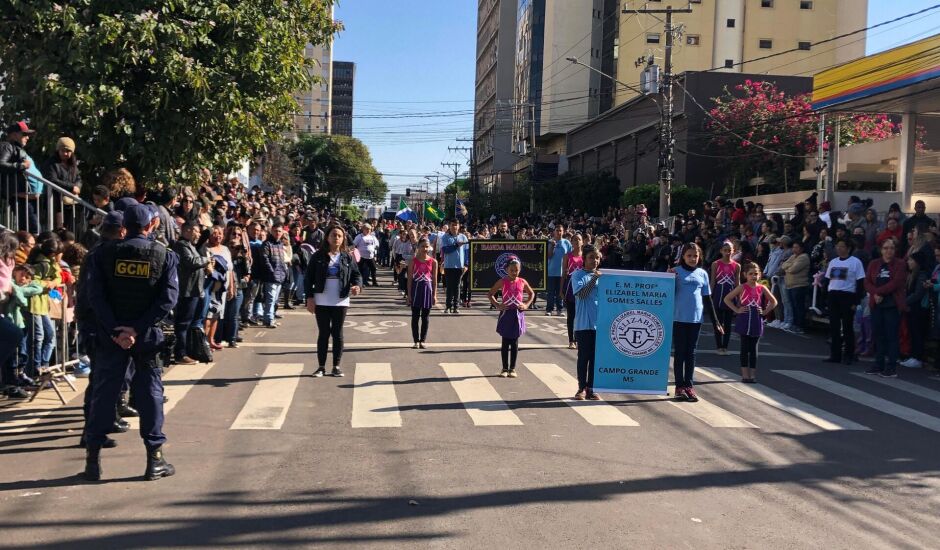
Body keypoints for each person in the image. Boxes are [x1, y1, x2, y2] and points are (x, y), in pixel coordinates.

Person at [82, 203, 179, 481]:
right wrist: (136, 328)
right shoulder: (164, 256)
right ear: (151, 226)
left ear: (124, 227)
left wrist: (116, 329)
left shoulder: (103, 253)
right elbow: (168, 300)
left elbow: (95, 297)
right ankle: (154, 460)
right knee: (150, 394)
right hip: (146, 335)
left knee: (104, 393)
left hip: (111, 336)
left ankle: (92, 462)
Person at [305, 225, 362, 378]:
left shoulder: (347, 257)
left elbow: (357, 275)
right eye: (333, 235)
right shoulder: (318, 256)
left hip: (340, 300)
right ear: (327, 237)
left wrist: (357, 285)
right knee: (323, 333)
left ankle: (336, 366)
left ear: (343, 239)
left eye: (339, 235)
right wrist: (309, 298)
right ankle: (321, 367)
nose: (336, 238)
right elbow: (308, 278)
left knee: (337, 333)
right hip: (321, 299)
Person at [672, 243, 721, 403]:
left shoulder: (703, 273)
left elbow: (707, 299)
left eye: (695, 256)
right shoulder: (675, 272)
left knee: (691, 353)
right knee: (680, 353)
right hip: (678, 318)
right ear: (683, 257)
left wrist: (716, 323)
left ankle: (689, 386)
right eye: (689, 255)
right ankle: (679, 387)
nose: (692, 258)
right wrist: (668, 279)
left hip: (695, 319)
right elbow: (666, 293)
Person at [724, 262, 777, 383]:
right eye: (751, 274)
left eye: (756, 274)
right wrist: (737, 309)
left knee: (754, 349)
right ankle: (744, 374)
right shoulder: (742, 287)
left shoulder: (762, 288)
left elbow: (774, 301)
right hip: (744, 318)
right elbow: (727, 299)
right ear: (745, 275)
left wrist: (764, 312)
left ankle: (753, 375)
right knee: (744, 347)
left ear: (760, 275)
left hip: (756, 320)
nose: (753, 276)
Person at [863, 238, 906, 378]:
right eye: (886, 248)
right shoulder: (874, 264)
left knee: (891, 336)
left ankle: (891, 366)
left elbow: (896, 282)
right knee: (878, 335)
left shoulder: (900, 264)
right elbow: (867, 281)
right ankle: (878, 364)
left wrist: (879, 292)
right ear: (881, 250)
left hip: (891, 304)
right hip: (877, 304)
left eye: (892, 248)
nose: (889, 251)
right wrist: (875, 293)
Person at [171, 222, 212, 363]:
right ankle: (180, 354)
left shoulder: (190, 246)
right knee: (183, 323)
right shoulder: (181, 245)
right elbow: (190, 261)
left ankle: (187, 350)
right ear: (187, 230)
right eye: (196, 231)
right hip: (186, 291)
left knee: (189, 323)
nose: (199, 234)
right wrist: (206, 260)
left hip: (194, 290)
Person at [487, 258, 535, 378]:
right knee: (505, 342)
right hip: (506, 314)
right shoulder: (502, 281)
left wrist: (526, 304)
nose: (514, 272)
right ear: (507, 270)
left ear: (519, 270)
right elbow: (490, 294)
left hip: (517, 314)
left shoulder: (522, 281)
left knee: (514, 342)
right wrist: (498, 305)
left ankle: (512, 368)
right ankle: (504, 368)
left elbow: (531, 293)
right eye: (512, 270)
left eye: (516, 270)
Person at [823, 239, 866, 365]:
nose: (839, 248)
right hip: (833, 295)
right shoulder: (833, 262)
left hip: (847, 296)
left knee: (847, 327)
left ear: (848, 248)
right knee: (834, 327)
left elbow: (860, 282)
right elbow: (827, 280)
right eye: (838, 246)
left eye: (842, 246)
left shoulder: (855, 262)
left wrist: (856, 301)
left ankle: (849, 354)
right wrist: (826, 296)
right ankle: (835, 354)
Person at [571, 245, 602, 400]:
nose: (594, 261)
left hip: (600, 323)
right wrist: (594, 279)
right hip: (583, 324)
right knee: (584, 356)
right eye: (591, 257)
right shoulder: (577, 275)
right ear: (584, 259)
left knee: (596, 357)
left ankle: (592, 387)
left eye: (597, 257)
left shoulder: (604, 276)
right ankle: (581, 388)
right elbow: (582, 294)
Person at [0, 121, 39, 233]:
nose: (27, 137)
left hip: (24, 195)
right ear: (13, 134)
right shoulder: (7, 146)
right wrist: (21, 165)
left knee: (29, 228)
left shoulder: (16, 148)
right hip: (18, 194)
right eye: (24, 134)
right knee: (33, 229)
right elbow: (1, 164)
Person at [900, 250, 930, 369]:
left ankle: (917, 357)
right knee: (912, 332)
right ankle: (913, 355)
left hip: (918, 309)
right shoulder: (911, 275)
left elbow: (918, 294)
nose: (908, 262)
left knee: (917, 333)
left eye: (911, 260)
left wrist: (904, 301)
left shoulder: (921, 274)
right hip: (911, 308)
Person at [710, 241, 740, 355]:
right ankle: (719, 346)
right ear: (721, 251)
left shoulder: (737, 266)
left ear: (733, 251)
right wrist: (709, 296)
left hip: (730, 295)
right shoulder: (715, 264)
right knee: (718, 322)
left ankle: (725, 347)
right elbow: (713, 281)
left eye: (730, 250)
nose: (727, 253)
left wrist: (739, 299)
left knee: (728, 323)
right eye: (725, 250)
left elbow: (737, 283)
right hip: (718, 294)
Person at [407, 238, 437, 348]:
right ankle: (415, 340)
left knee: (425, 317)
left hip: (427, 291)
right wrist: (409, 295)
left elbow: (434, 279)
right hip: (416, 290)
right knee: (415, 316)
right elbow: (409, 279)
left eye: (426, 246)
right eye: (423, 246)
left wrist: (434, 295)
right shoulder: (413, 261)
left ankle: (422, 340)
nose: (425, 249)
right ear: (418, 247)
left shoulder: (433, 261)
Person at [258, 223, 288, 329]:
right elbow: (265, 259)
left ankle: (270, 318)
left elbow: (282, 260)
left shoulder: (280, 244)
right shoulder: (267, 244)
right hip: (270, 277)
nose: (278, 233)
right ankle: (268, 320)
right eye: (275, 231)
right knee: (270, 299)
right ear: (271, 231)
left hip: (280, 276)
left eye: (280, 231)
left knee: (274, 300)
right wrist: (272, 272)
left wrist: (284, 272)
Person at [779, 240, 810, 334]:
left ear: (802, 248)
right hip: (790, 285)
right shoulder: (793, 256)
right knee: (792, 305)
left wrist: (788, 267)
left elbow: (793, 269)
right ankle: (794, 324)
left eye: (797, 247)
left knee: (799, 306)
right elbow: (783, 265)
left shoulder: (804, 257)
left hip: (799, 285)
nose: (794, 249)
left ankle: (800, 326)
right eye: (794, 247)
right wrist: (788, 266)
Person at [439, 219, 469, 314]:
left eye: (456, 225)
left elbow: (467, 252)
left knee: (457, 287)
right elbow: (445, 250)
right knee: (449, 287)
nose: (454, 227)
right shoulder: (445, 237)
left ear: (459, 226)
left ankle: (456, 307)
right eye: (452, 225)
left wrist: (466, 264)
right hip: (448, 265)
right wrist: (456, 245)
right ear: (450, 226)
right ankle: (448, 306)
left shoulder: (463, 237)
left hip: (460, 266)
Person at [562, 233, 584, 349]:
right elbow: (563, 274)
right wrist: (561, 289)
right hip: (570, 288)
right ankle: (571, 340)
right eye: (574, 240)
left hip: (583, 288)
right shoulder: (567, 256)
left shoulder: (586, 256)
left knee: (581, 316)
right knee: (571, 315)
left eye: (579, 240)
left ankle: (579, 338)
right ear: (571, 242)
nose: (576, 242)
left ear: (582, 242)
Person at [545, 225, 572, 316]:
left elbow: (570, 256)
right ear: (554, 232)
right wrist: (552, 246)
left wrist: (568, 268)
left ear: (563, 232)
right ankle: (549, 309)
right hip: (551, 271)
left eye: (560, 230)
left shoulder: (567, 242)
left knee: (560, 292)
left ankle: (559, 309)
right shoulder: (549, 242)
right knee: (551, 293)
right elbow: (549, 256)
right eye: (557, 230)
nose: (559, 232)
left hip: (562, 272)